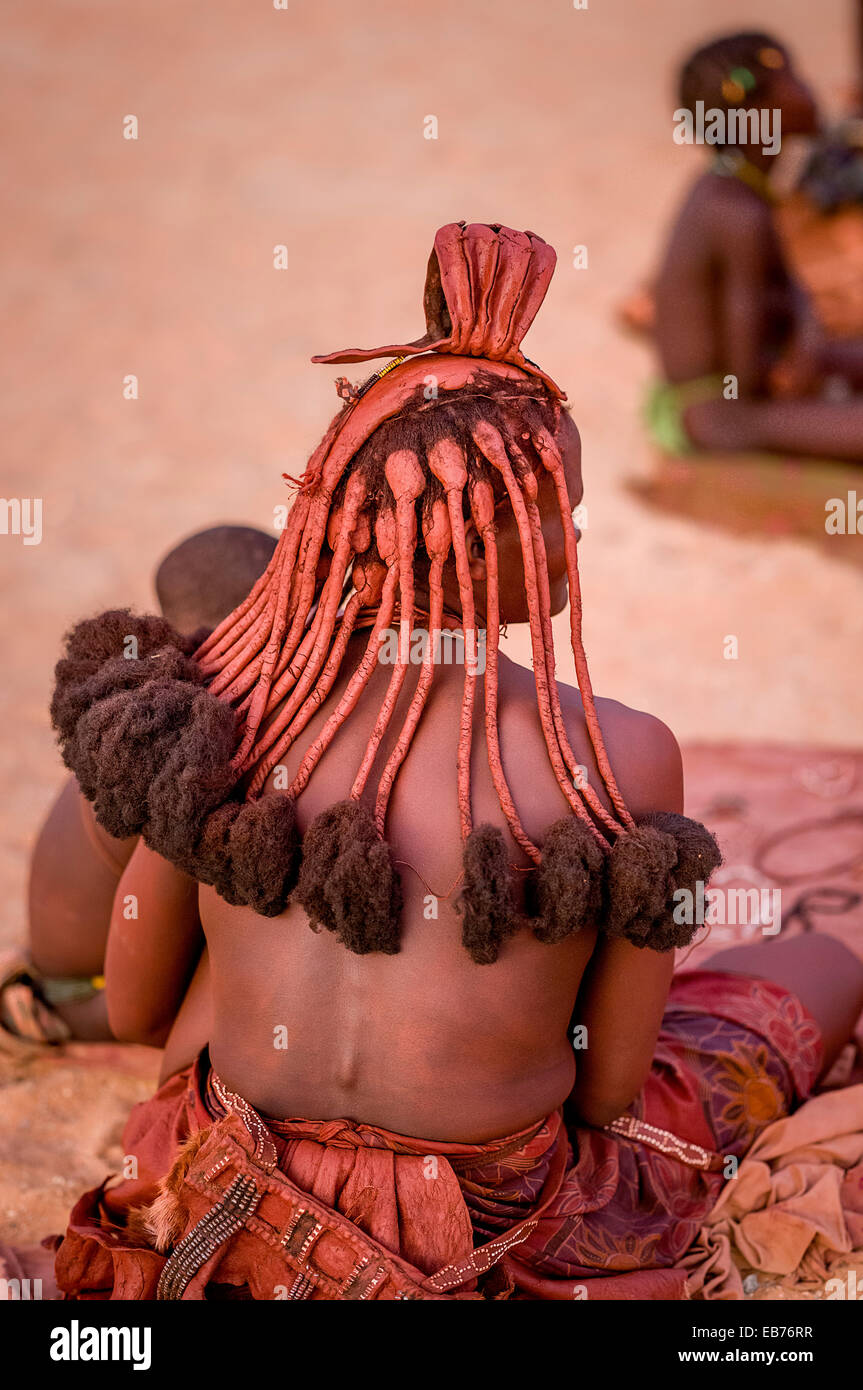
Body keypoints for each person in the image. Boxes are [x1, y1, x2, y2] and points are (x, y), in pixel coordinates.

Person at [49, 224, 863, 1300]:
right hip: (478, 1223)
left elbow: (145, 1012)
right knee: (825, 969)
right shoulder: (618, 753)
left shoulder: (242, 707)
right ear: (480, 547)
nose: (577, 542)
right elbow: (608, 1089)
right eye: (558, 516)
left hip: (223, 1181)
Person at [0, 526, 276, 1045]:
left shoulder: (156, 701)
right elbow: (141, 1006)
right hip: (86, 995)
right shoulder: (186, 745)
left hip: (77, 964)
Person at [650, 32, 863, 461]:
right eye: (793, 78)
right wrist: (806, 368)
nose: (808, 87)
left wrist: (810, 342)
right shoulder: (737, 213)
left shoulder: (743, 191)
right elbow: (744, 372)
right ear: (760, 112)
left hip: (756, 388)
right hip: (723, 416)